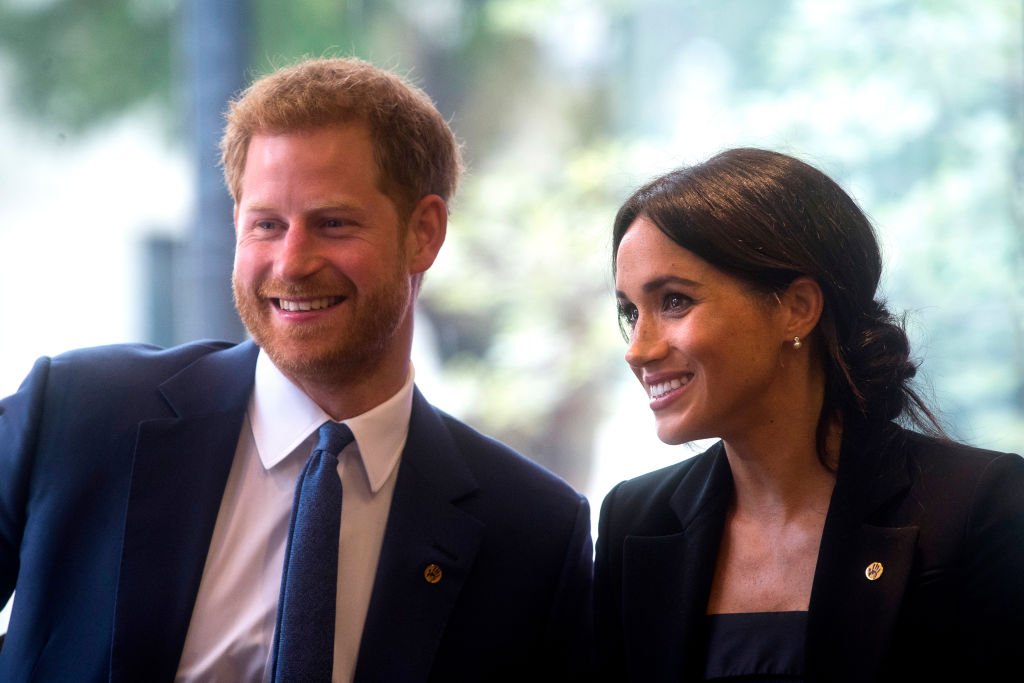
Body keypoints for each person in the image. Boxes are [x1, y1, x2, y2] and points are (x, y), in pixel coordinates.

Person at [0, 57, 592, 682]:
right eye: (267, 225)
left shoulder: (532, 532)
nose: (292, 263)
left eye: (333, 224)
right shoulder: (76, 414)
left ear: (424, 232)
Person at [594, 147, 1024, 682]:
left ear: (796, 307)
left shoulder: (977, 505)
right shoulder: (634, 520)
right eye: (631, 313)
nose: (638, 349)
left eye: (675, 302)